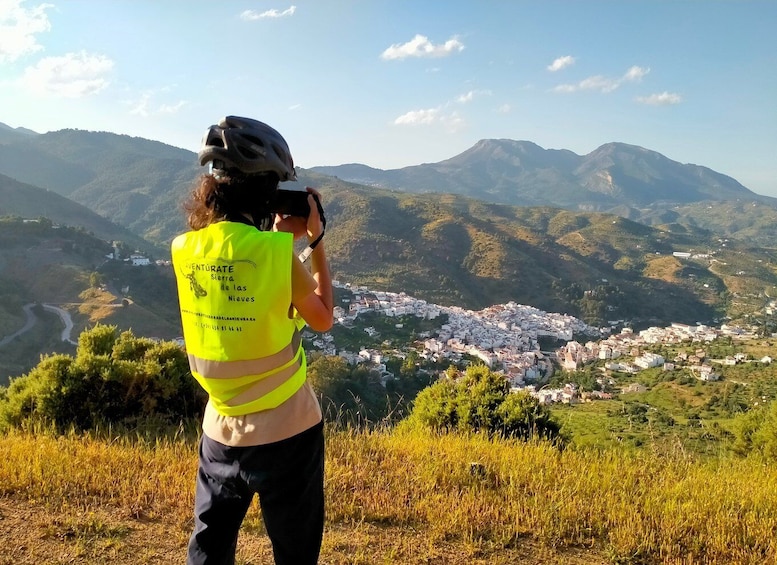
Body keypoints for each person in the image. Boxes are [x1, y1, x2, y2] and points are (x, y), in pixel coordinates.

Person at [171, 115, 333, 565]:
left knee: (209, 546)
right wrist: (315, 242)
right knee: (294, 549)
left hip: (219, 425)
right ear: (266, 189)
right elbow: (321, 317)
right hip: (288, 427)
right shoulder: (278, 254)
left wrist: (278, 238)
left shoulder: (184, 247)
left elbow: (236, 283)